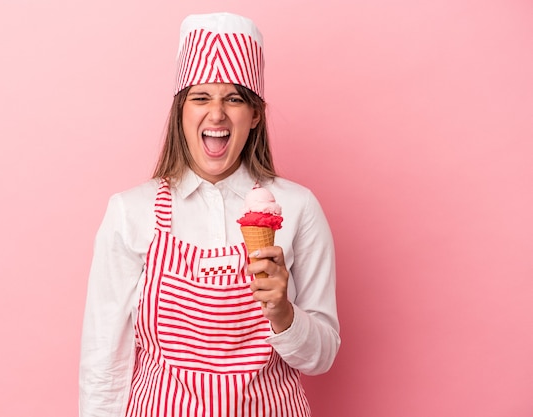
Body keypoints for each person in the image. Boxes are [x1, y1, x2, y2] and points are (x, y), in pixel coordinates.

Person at [79, 12, 340, 417]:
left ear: (254, 115)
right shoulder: (130, 212)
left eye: (234, 98)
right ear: (181, 112)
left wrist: (284, 314)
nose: (216, 114)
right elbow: (104, 359)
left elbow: (321, 357)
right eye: (201, 97)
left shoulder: (298, 207)